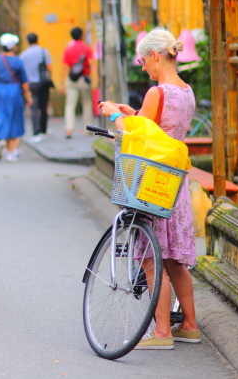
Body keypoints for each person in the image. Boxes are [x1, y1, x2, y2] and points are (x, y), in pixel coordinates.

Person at [98, 28, 199, 350]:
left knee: (152, 259)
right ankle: (190, 326)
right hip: (176, 181)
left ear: (156, 55)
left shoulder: (158, 92)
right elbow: (154, 129)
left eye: (143, 60)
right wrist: (133, 114)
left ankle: (162, 333)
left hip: (153, 182)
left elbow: (138, 137)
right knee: (174, 261)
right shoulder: (186, 91)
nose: (143, 66)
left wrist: (114, 115)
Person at [0, 33, 31, 161]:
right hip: (14, 90)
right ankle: (11, 152)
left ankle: (0, 140)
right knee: (14, 119)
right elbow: (24, 81)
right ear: (12, 47)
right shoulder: (17, 60)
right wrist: (28, 95)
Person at [20, 32, 53, 142]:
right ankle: (43, 129)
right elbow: (49, 67)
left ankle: (36, 131)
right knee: (43, 107)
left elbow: (22, 71)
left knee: (33, 108)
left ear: (27, 41)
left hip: (30, 84)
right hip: (43, 83)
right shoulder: (44, 51)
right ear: (37, 40)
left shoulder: (23, 55)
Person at [62, 27, 94, 138]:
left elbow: (65, 67)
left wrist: (62, 83)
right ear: (81, 35)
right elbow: (91, 64)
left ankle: (69, 129)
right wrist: (95, 79)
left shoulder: (68, 49)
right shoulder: (86, 48)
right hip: (84, 79)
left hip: (71, 79)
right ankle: (88, 129)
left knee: (70, 105)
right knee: (87, 104)